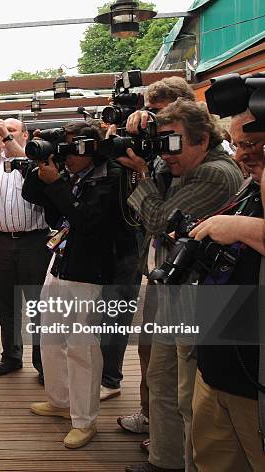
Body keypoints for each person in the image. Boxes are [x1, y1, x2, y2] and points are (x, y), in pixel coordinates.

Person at [119, 99, 244, 472]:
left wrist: (143, 174)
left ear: (203, 139)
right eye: (160, 144)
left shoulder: (216, 173)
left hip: (197, 296)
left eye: (172, 143)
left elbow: (157, 219)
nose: (164, 154)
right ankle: (164, 460)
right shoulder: (178, 169)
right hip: (173, 289)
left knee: (190, 396)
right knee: (162, 383)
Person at [22, 122, 134, 448]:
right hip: (61, 262)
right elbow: (32, 195)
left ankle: (85, 421)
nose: (67, 156)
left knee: (82, 348)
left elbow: (88, 224)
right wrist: (43, 165)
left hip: (89, 271)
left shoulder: (111, 175)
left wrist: (57, 183)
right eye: (64, 149)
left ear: (90, 147)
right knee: (51, 337)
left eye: (73, 149)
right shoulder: (74, 173)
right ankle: (60, 401)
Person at [115, 76, 197, 435]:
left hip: (185, 281)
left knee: (178, 367)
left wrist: (144, 172)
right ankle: (152, 419)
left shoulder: (196, 162)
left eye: (161, 117)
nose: (155, 128)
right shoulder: (162, 154)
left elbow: (160, 218)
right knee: (150, 354)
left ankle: (172, 437)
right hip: (156, 269)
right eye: (151, 116)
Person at [187, 109, 265, 471]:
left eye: (250, 144)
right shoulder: (247, 186)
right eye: (236, 144)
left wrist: (243, 229)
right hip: (217, 365)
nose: (240, 156)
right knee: (212, 461)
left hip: (255, 383)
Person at [0, 117, 50, 382]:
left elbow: (36, 175)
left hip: (34, 240)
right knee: (5, 302)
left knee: (37, 303)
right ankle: (11, 355)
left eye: (10, 131)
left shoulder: (35, 160)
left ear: (25, 136)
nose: (3, 134)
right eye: (1, 131)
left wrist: (8, 145)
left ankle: (43, 362)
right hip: (0, 240)